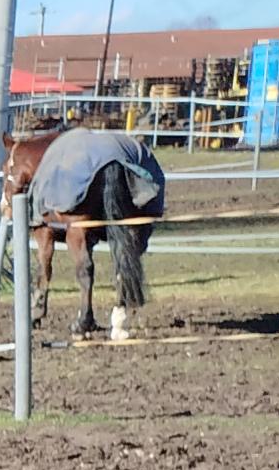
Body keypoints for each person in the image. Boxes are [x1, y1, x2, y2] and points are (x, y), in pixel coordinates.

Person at [18, 114, 170, 343]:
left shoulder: (61, 155)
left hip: (79, 180)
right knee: (124, 239)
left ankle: (85, 314)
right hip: (126, 162)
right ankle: (121, 314)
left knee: (83, 250)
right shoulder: (122, 145)